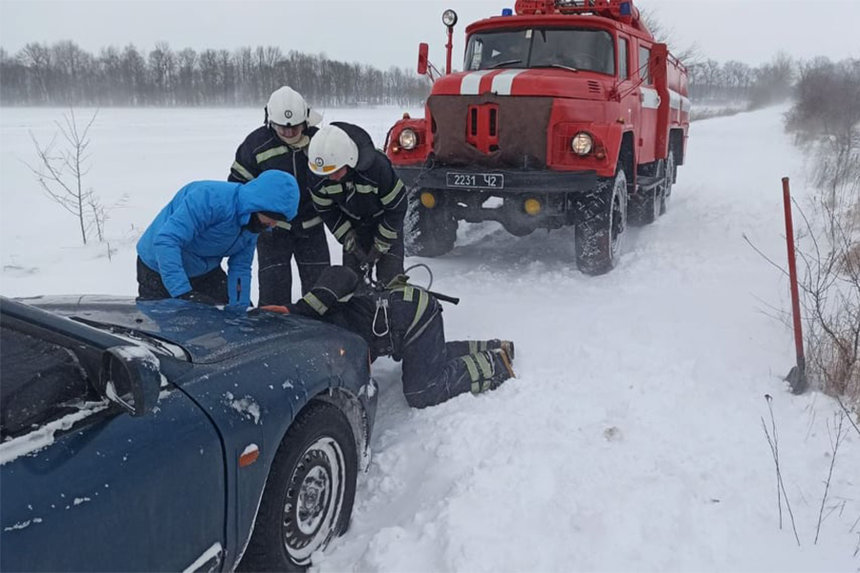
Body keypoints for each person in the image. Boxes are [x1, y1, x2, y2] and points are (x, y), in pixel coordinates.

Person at [260, 266, 516, 408]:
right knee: (427, 358)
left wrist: (301, 308)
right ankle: (492, 346)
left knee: (423, 391)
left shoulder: (313, 313)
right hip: (404, 319)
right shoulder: (312, 341)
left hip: (413, 314)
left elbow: (343, 274)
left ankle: (496, 364)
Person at [228, 86, 330, 306]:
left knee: (321, 294)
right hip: (272, 232)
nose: (289, 132)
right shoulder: (255, 145)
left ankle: (323, 336)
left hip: (312, 228)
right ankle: (273, 336)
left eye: (295, 127)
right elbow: (238, 188)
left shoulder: (320, 142)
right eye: (283, 127)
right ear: (270, 121)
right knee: (274, 294)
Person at [136, 170, 299, 307]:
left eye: (279, 220)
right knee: (168, 330)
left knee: (228, 322)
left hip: (204, 270)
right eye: (272, 217)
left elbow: (240, 267)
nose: (273, 224)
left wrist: (240, 309)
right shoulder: (209, 199)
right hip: (158, 267)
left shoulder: (255, 224)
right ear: (257, 205)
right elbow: (167, 241)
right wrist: (183, 293)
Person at [307, 122, 407, 286]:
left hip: (386, 222)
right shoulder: (318, 175)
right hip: (353, 225)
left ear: (349, 160)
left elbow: (397, 207)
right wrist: (347, 237)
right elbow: (326, 210)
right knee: (352, 285)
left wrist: (381, 243)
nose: (331, 178)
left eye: (336, 172)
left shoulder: (378, 168)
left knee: (390, 280)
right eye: (327, 174)